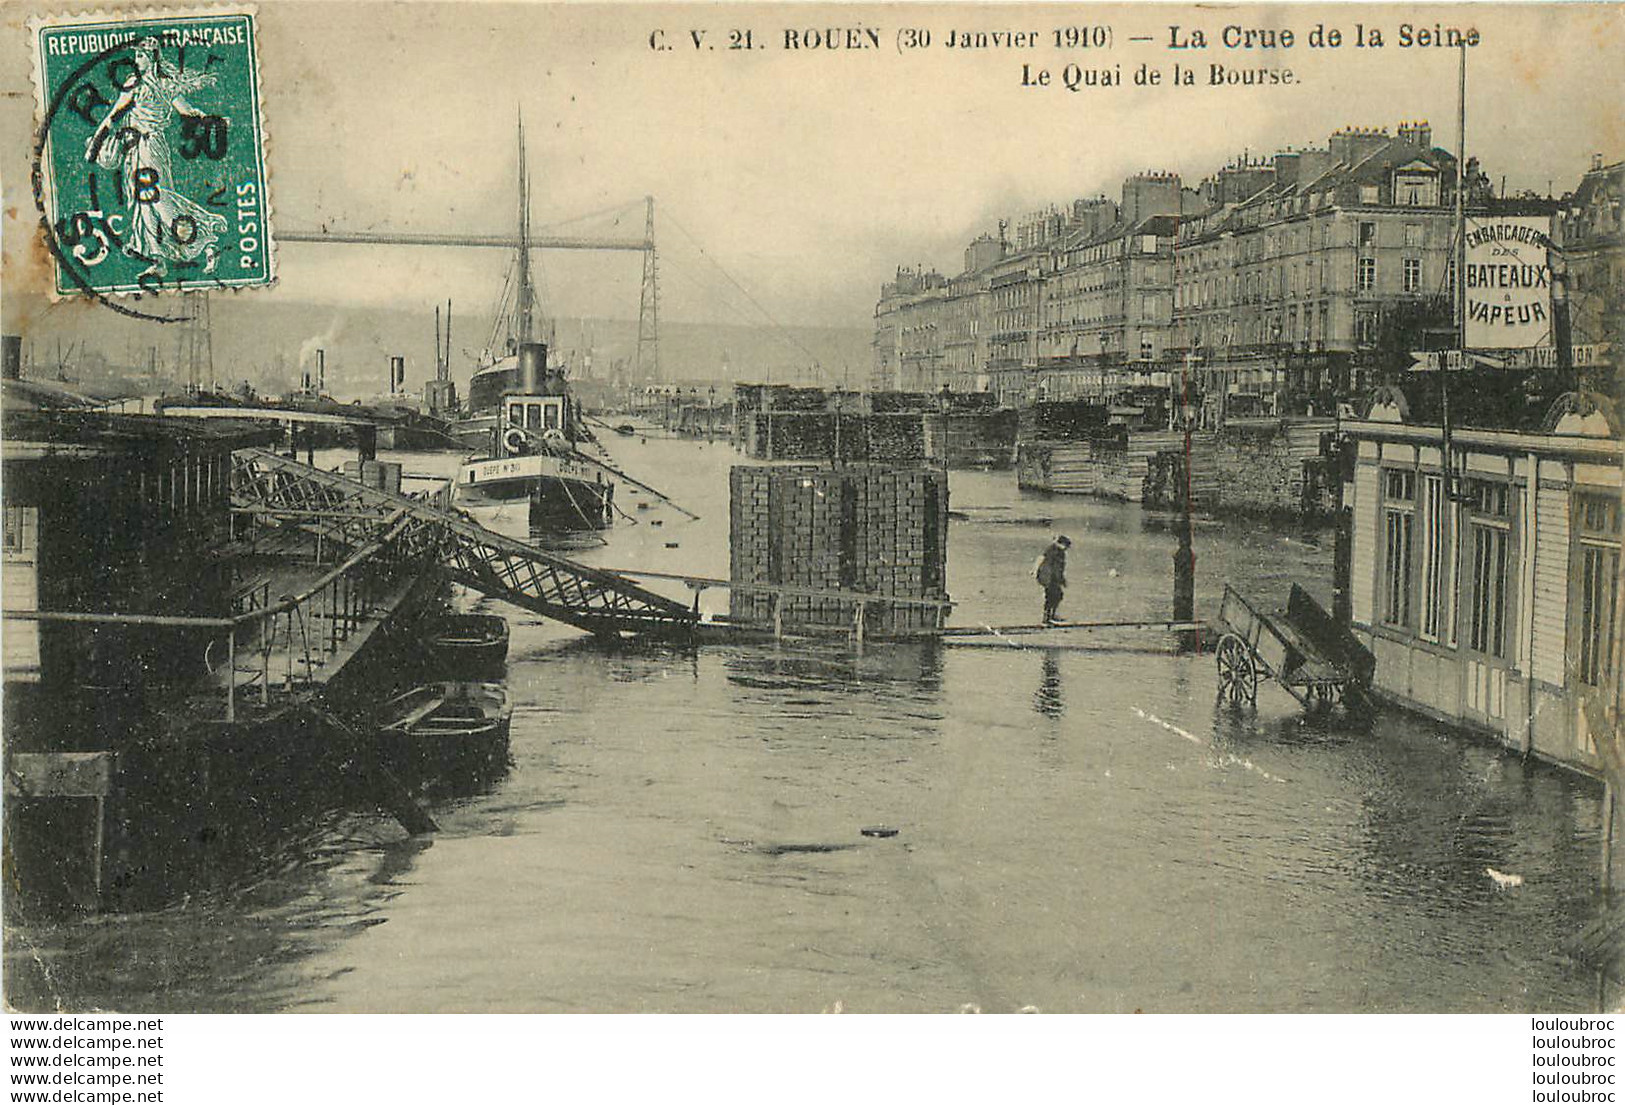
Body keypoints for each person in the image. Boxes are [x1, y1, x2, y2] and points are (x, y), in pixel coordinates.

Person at [1035, 535, 1071, 625]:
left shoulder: (1059, 552)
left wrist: (1062, 580)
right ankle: (1047, 618)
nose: (1066, 548)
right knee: (1052, 597)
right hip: (1049, 578)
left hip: (1052, 578)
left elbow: (1059, 569)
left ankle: (1051, 616)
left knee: (1057, 596)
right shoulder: (1053, 551)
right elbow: (1052, 568)